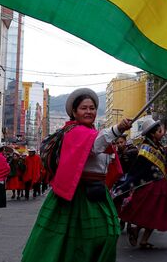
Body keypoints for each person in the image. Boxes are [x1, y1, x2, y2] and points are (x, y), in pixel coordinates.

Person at [22, 88, 132, 262]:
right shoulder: (75, 132)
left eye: (92, 108)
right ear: (74, 112)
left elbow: (102, 155)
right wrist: (117, 129)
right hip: (76, 194)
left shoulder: (92, 133)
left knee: (106, 235)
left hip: (98, 193)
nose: (89, 111)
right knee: (79, 240)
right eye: (83, 108)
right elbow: (96, 145)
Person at [116, 118, 167, 250]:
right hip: (148, 187)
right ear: (153, 134)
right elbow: (138, 170)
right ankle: (137, 232)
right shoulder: (144, 149)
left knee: (156, 214)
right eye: (160, 131)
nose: (163, 132)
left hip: (160, 187)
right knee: (149, 213)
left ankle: (140, 236)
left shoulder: (160, 148)